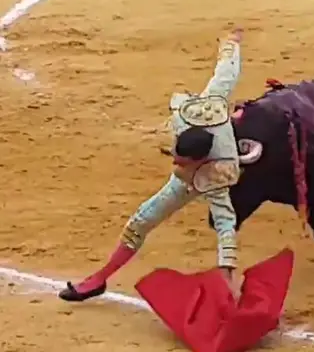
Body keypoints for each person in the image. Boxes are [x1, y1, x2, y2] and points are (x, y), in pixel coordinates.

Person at [59, 28, 246, 302]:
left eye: (180, 160)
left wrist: (226, 271)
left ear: (198, 161)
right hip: (201, 159)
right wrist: (231, 43)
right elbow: (226, 72)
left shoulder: (216, 175)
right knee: (139, 223)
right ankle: (98, 280)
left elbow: (225, 223)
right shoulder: (200, 111)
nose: (174, 161)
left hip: (195, 180)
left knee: (144, 218)